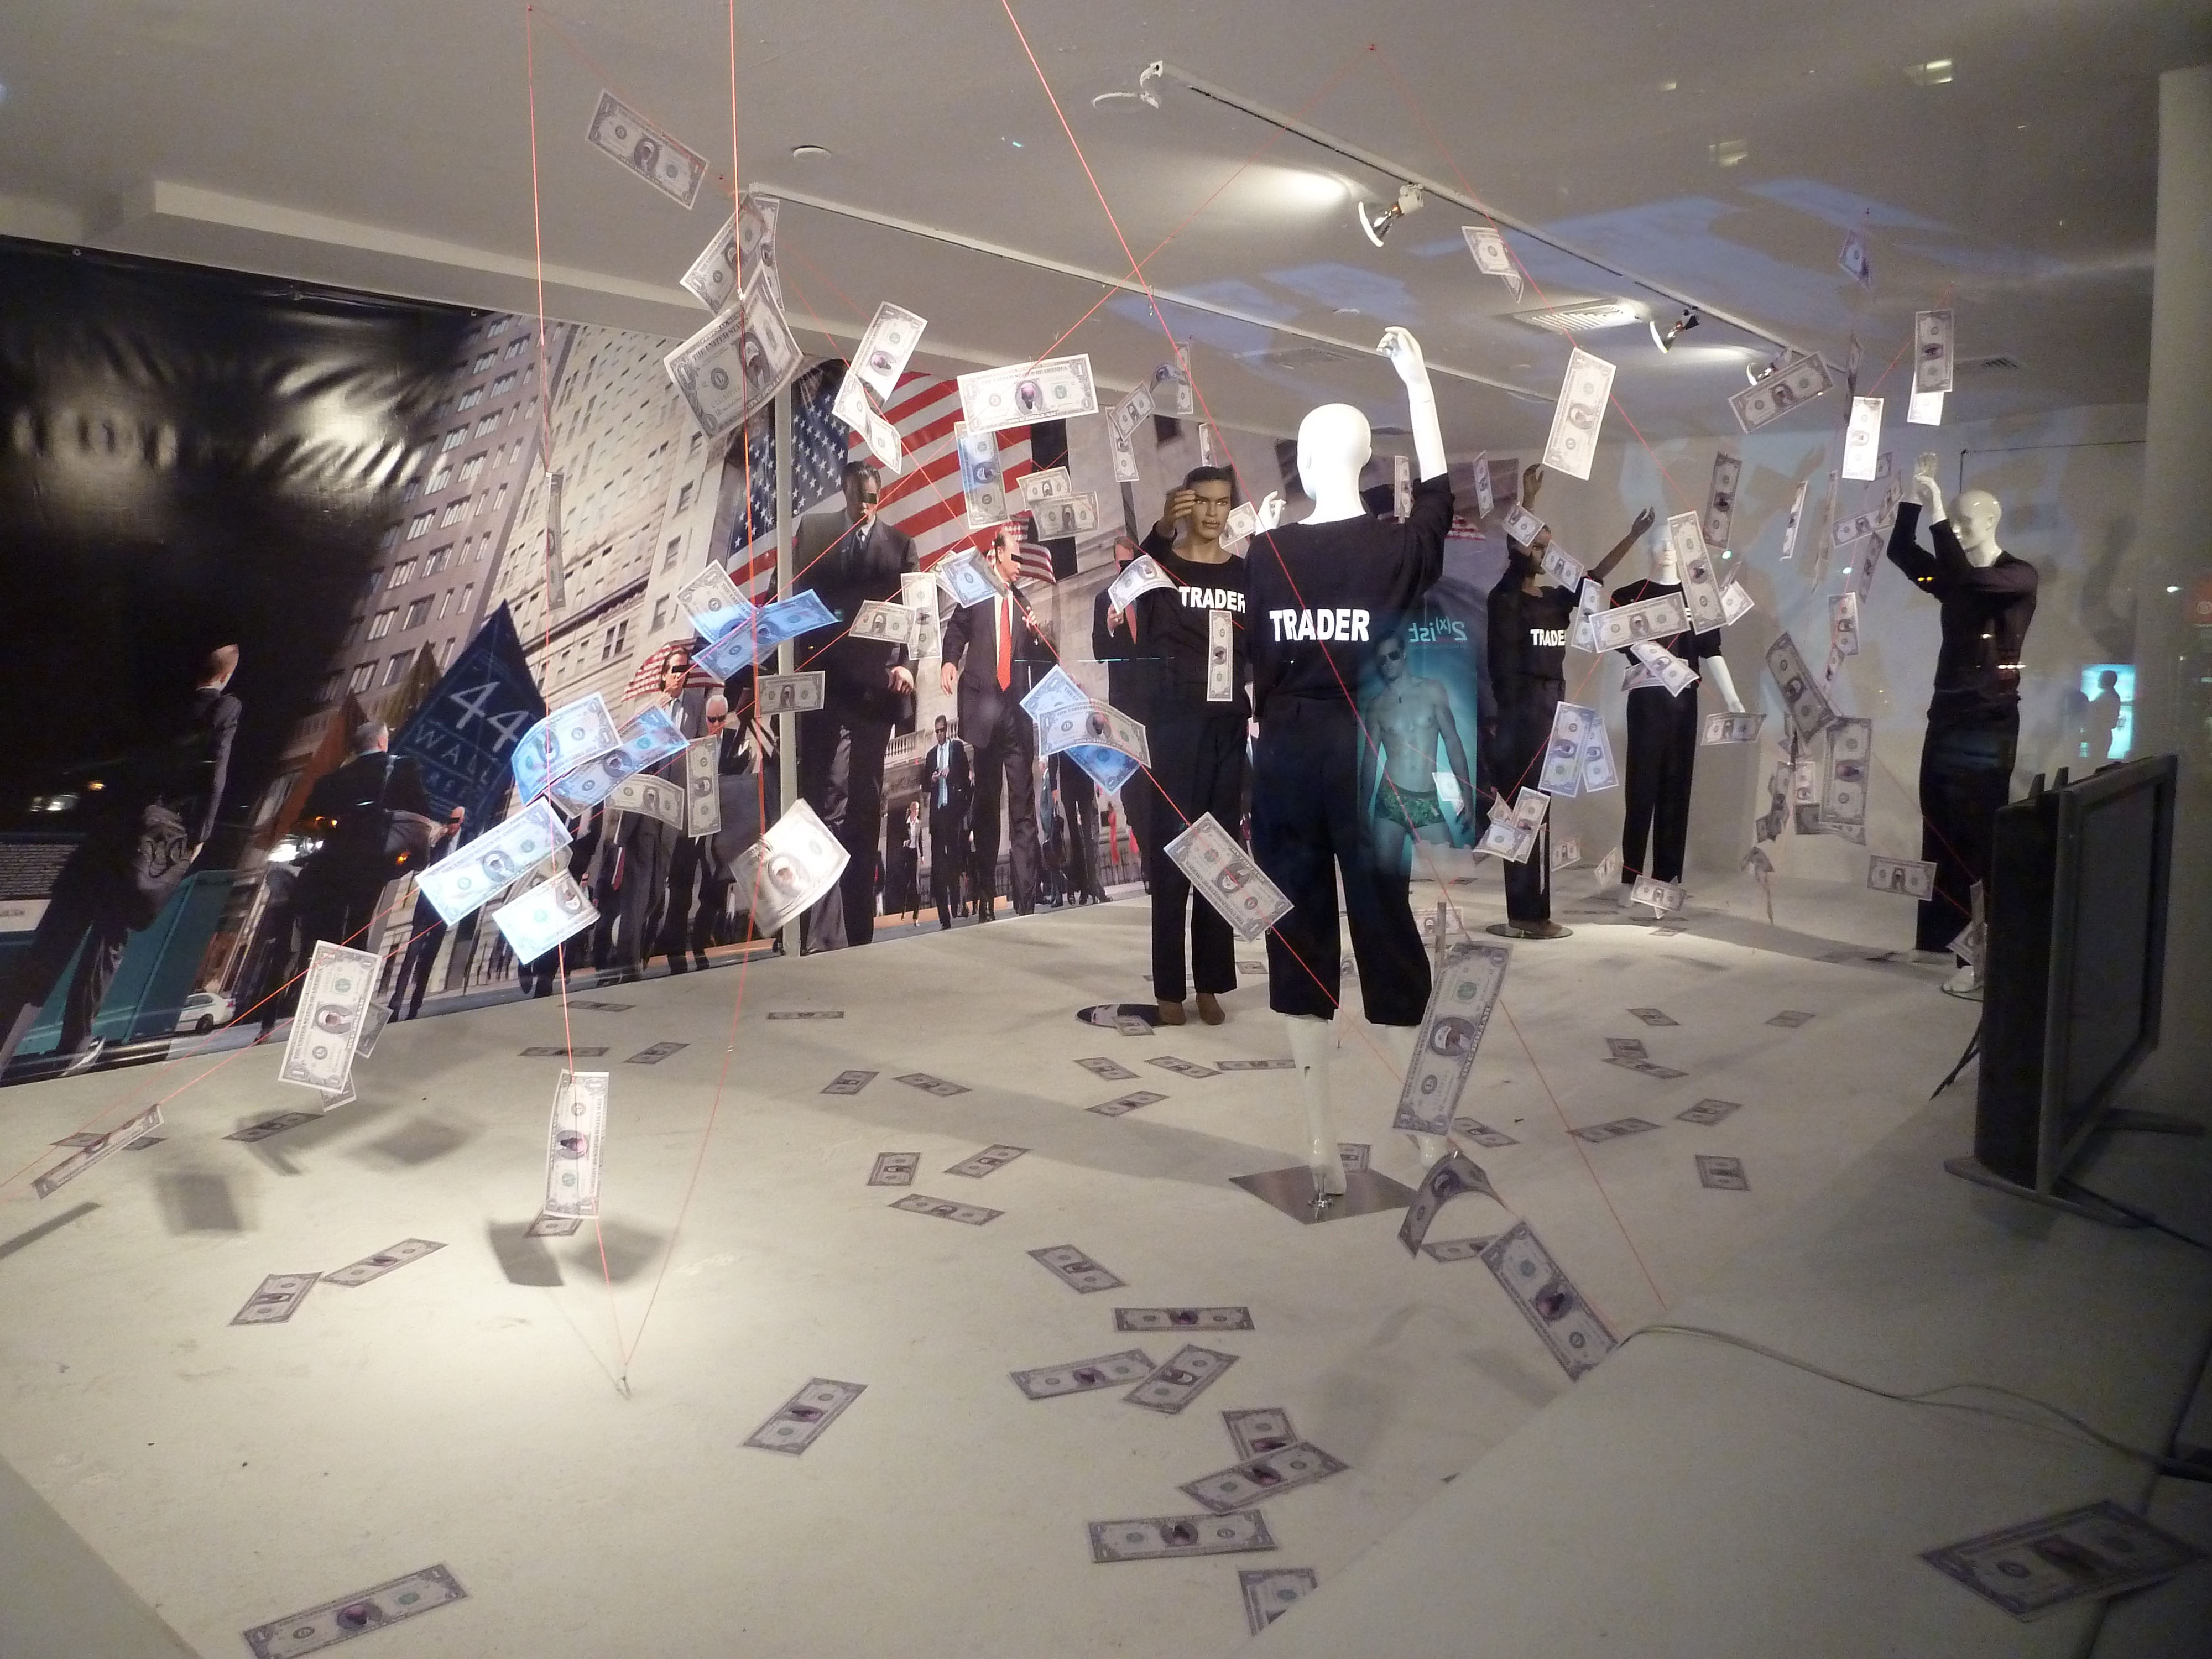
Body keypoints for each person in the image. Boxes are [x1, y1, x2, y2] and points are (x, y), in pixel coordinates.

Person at [0, 646, 241, 1075]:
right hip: (143, 842)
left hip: (103, 836)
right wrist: (200, 835)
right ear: (226, 676)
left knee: (51, 947)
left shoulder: (160, 708)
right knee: (106, 945)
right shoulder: (224, 709)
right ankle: (73, 1048)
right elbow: (215, 771)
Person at [1885, 461, 2038, 969]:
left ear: (1992, 522)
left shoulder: (2017, 577)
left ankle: (1978, 952)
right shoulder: (1955, 580)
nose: (1955, 530)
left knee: (1979, 832)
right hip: (1947, 715)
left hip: (1988, 721)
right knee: (1939, 824)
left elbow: (1970, 583)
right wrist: (1913, 499)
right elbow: (1902, 553)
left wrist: (1935, 511)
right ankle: (1939, 939)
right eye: (1951, 523)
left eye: (1962, 522)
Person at [1483, 478, 1653, 937]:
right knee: (1526, 813)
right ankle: (1526, 914)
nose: (1545, 554)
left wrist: (1632, 537)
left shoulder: (1556, 601)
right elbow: (1518, 553)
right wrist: (1530, 498)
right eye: (1538, 546)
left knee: (1542, 813)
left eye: (1548, 546)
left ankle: (1533, 912)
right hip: (1520, 717)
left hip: (1551, 713)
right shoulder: (1505, 600)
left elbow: (1594, 578)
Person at [1130, 468, 1251, 1025]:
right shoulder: (1163, 568)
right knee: (1172, 851)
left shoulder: (1245, 575)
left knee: (1219, 852)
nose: (1212, 513)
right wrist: (1161, 529)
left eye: (1222, 503)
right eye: (1201, 501)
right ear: (1184, 504)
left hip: (1227, 723)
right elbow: (1130, 582)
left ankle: (1211, 982)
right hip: (1175, 726)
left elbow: (1262, 644)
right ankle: (1168, 987)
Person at [791, 462, 917, 951]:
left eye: (872, 498)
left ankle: (858, 928)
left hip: (875, 694)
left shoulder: (901, 546)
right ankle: (823, 931)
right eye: (857, 497)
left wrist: (908, 665)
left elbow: (916, 610)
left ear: (880, 496)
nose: (865, 506)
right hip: (824, 691)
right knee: (826, 803)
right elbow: (791, 595)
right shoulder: (816, 533)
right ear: (843, 493)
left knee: (865, 807)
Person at [940, 526, 1050, 920]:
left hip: (1017, 715)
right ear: (998, 554)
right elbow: (956, 629)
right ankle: (985, 895)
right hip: (983, 713)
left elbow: (1042, 661)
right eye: (1015, 556)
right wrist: (950, 661)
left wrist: (1037, 637)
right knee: (987, 804)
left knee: (1023, 806)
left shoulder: (1023, 604)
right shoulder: (976, 592)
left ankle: (1026, 899)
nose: (1020, 564)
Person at [595, 643, 708, 982]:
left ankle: (627, 943)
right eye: (675, 669)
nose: (681, 675)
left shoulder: (695, 706)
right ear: (663, 675)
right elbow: (626, 749)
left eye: (685, 669)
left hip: (673, 807)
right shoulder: (647, 708)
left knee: (657, 889)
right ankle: (628, 962)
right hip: (644, 805)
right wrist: (658, 706)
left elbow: (701, 753)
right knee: (639, 880)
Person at [295, 718, 435, 959]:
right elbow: (421, 812)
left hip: (333, 861)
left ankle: (316, 966)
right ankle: (351, 970)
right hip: (376, 859)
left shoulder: (331, 780)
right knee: (359, 923)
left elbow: (306, 821)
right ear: (382, 742)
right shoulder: (403, 768)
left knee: (329, 924)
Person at [1361, 625, 1473, 875]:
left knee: (1451, 876)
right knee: (1386, 880)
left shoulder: (1432, 690)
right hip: (1390, 799)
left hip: (1426, 800)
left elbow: (1452, 741)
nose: (1388, 664)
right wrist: (1362, 809)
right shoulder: (1377, 705)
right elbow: (1370, 758)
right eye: (1382, 660)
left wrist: (1466, 792)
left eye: (1392, 656)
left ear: (1404, 654)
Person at [1094, 532, 1165, 865]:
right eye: (1123, 564)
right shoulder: (1103, 600)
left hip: (1156, 702)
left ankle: (1162, 854)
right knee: (1135, 784)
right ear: (1115, 564)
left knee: (1160, 776)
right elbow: (1099, 652)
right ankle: (1148, 856)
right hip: (1125, 705)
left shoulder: (1151, 597)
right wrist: (1109, 627)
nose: (1127, 568)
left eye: (1132, 563)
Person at [387, 806, 466, 1019]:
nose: (451, 825)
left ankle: (416, 1003)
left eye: (455, 821)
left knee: (428, 958)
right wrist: (434, 840)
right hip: (425, 906)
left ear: (462, 822)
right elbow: (422, 863)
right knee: (410, 956)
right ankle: (396, 1003)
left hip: (444, 908)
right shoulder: (440, 840)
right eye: (449, 820)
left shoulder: (466, 843)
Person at [921, 714, 974, 930]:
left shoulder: (957, 748)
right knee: (938, 865)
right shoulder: (931, 755)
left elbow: (965, 773)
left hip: (953, 812)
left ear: (947, 730)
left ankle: (956, 905)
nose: (940, 734)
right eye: (937, 731)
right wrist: (932, 779)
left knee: (954, 860)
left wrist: (951, 772)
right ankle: (944, 916)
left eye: (942, 730)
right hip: (937, 814)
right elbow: (924, 784)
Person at [2085, 670, 2123, 764]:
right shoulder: (2109, 695)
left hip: (2100, 736)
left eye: (2100, 679)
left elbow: (2103, 718)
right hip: (2100, 735)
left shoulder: (2108, 696)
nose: (2098, 681)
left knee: (2095, 763)